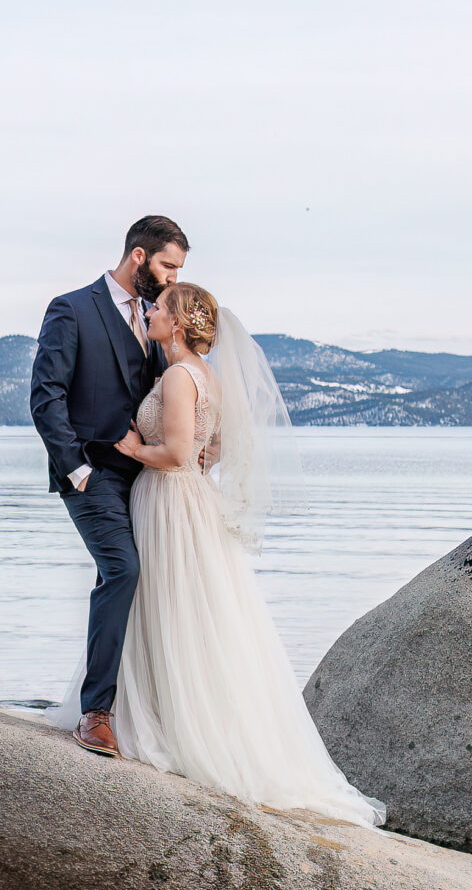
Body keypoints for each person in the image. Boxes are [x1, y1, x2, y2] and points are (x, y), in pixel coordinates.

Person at [70, 278, 384, 828]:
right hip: (193, 498)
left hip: (168, 499)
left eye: (160, 308)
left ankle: (166, 724)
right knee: (193, 612)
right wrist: (180, 460)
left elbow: (176, 452)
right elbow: (212, 449)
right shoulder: (207, 376)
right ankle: (179, 716)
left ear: (181, 323)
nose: (150, 313)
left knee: (168, 606)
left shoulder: (175, 375)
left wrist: (133, 448)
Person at [29, 216, 185, 758]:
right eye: (167, 266)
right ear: (139, 257)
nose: (172, 280)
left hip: (146, 479)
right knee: (123, 569)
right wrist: (76, 469)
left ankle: (147, 709)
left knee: (144, 579)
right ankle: (96, 714)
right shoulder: (72, 309)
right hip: (90, 474)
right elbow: (46, 397)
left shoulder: (160, 321)